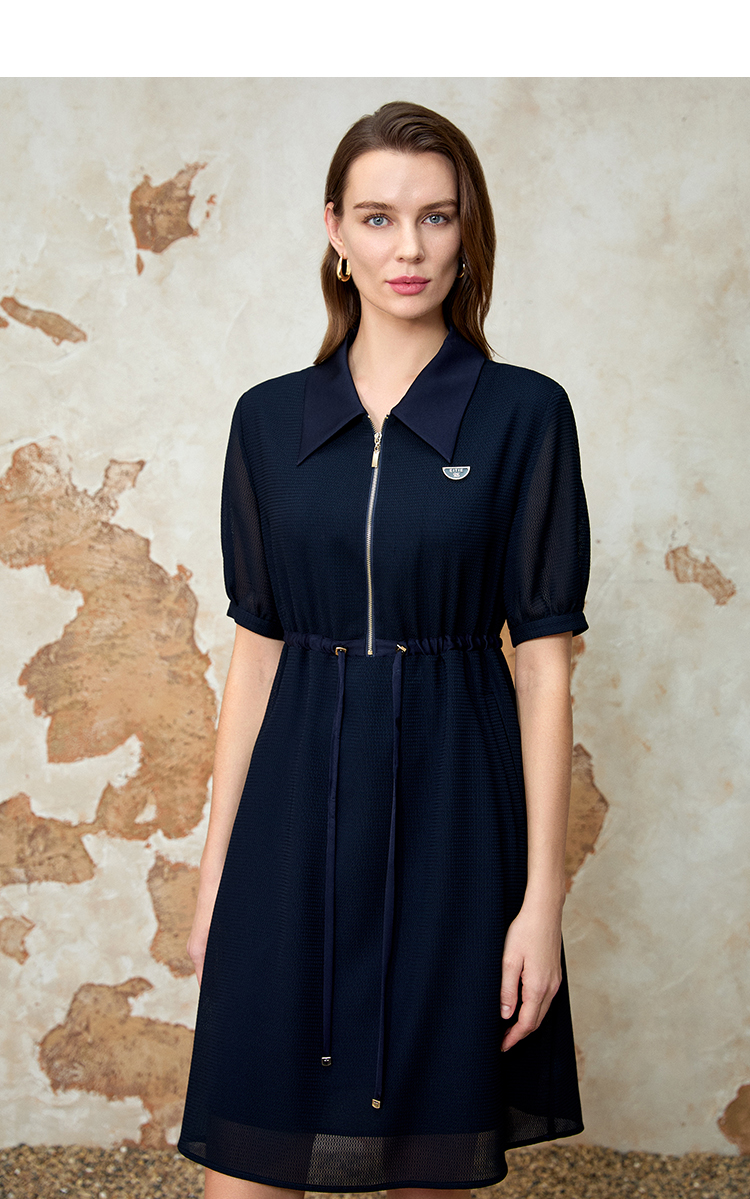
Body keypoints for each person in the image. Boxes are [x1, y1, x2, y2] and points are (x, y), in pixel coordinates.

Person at [178, 100, 590, 1198]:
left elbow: (544, 669)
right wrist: (216, 874)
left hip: (457, 833)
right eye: (378, 217)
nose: (408, 247)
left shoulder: (525, 416)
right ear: (335, 231)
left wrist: (540, 903)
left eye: (435, 217)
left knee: (429, 1163)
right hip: (288, 833)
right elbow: (256, 658)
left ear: (467, 232)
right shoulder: (266, 421)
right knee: (245, 1163)